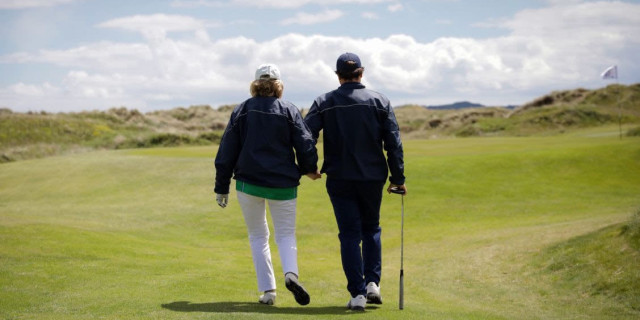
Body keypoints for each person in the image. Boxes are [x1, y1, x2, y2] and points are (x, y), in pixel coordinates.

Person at [304, 52, 406, 311]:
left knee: (350, 234)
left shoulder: (324, 101)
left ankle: (357, 294)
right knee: (371, 228)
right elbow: (393, 144)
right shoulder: (379, 100)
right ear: (361, 72)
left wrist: (309, 167)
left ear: (338, 75)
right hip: (372, 177)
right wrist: (398, 178)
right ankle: (373, 283)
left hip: (339, 177)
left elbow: (306, 136)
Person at [214, 63, 321, 306]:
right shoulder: (289, 109)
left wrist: (221, 187)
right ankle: (291, 275)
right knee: (285, 234)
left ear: (255, 85)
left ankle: (268, 292)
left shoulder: (242, 110)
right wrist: (309, 169)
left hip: (248, 184)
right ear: (278, 85)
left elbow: (227, 150)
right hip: (283, 185)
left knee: (257, 236)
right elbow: (305, 144)